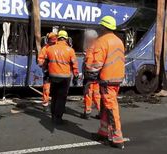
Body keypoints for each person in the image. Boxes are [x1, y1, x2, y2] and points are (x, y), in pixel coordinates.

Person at [88, 16, 125, 149]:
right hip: (117, 78)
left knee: (110, 107)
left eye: (100, 26)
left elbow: (97, 63)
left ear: (104, 27)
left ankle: (117, 138)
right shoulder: (118, 41)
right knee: (105, 106)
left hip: (107, 79)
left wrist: (90, 74)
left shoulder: (102, 41)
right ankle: (103, 132)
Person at [44, 30, 79, 124]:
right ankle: (58, 118)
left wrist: (46, 72)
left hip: (53, 76)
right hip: (65, 78)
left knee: (54, 96)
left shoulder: (50, 49)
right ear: (66, 39)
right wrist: (76, 75)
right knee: (61, 98)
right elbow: (74, 65)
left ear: (58, 38)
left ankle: (53, 115)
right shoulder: (70, 50)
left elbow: (45, 63)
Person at [81, 29, 101, 119]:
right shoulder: (100, 48)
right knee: (97, 94)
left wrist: (85, 66)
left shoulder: (90, 49)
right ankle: (100, 111)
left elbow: (88, 64)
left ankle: (87, 111)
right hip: (97, 76)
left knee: (88, 93)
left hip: (89, 76)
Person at [37, 32, 57, 110]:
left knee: (47, 88)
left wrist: (42, 65)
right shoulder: (47, 48)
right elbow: (40, 60)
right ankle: (54, 105)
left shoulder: (46, 48)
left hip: (50, 71)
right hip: (54, 71)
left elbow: (40, 60)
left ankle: (46, 104)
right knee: (52, 88)